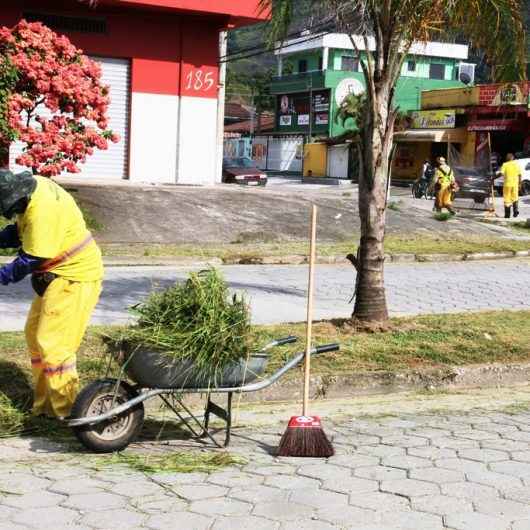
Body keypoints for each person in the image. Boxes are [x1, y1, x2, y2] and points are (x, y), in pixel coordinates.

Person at [0, 169, 103, 419]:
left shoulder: (42, 212)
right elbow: (22, 231)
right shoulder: (36, 187)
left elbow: (31, 259)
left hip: (74, 278)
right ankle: (44, 405)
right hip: (59, 277)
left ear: (18, 197)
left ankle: (65, 413)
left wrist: (1, 276)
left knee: (54, 345)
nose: (12, 214)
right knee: (34, 335)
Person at [499, 153, 522, 218]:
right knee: (515, 198)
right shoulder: (517, 165)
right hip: (515, 184)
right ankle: (515, 211)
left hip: (507, 185)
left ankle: (507, 215)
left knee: (507, 199)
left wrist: (493, 178)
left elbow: (501, 173)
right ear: (513, 158)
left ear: (507, 158)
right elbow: (520, 175)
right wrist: (520, 184)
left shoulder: (505, 164)